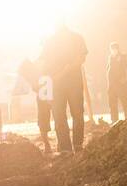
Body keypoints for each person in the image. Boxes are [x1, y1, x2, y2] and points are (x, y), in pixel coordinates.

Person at [42, 21, 88, 154]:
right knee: (62, 115)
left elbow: (81, 58)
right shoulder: (50, 41)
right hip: (59, 84)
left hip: (70, 82)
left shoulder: (76, 38)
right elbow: (45, 65)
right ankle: (67, 147)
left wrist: (63, 73)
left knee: (73, 114)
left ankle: (75, 146)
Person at [17, 57, 54, 154]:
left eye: (25, 76)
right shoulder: (36, 70)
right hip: (45, 95)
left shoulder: (38, 70)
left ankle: (49, 145)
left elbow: (37, 86)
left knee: (46, 120)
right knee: (44, 120)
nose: (26, 78)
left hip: (49, 94)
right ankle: (49, 145)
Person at [106, 42, 127, 123]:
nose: (113, 51)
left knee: (125, 103)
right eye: (112, 49)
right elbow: (108, 70)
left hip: (122, 84)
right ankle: (114, 121)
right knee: (112, 104)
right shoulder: (110, 58)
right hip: (112, 85)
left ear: (118, 49)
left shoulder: (124, 57)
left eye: (115, 49)